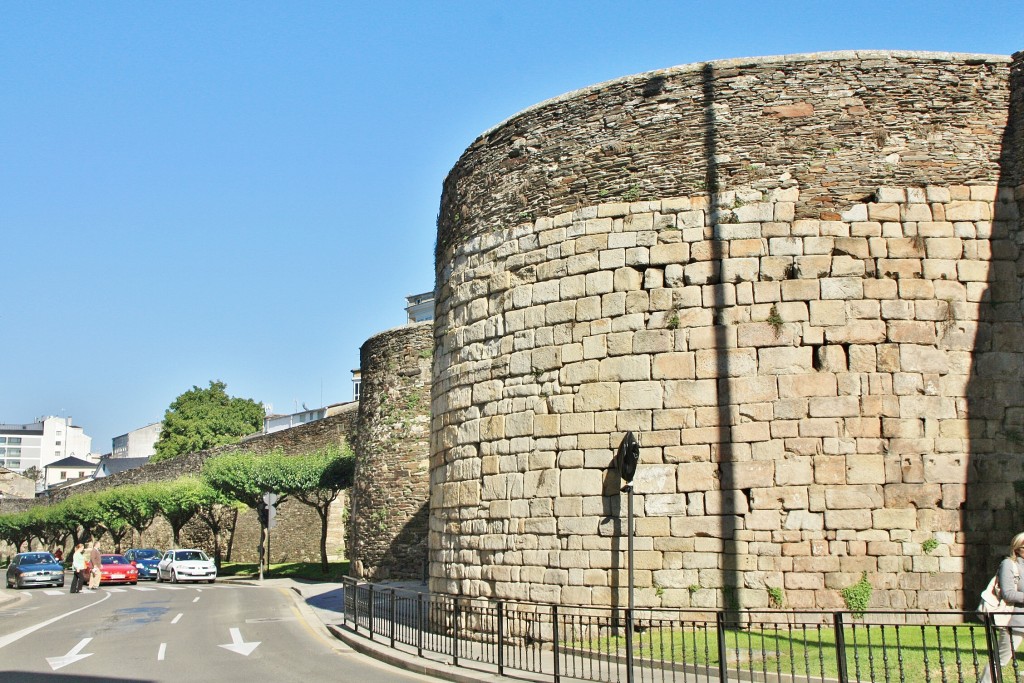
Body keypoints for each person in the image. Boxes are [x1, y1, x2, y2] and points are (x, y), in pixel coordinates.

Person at [980, 532, 1024, 683]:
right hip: (1016, 622)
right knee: (1000, 660)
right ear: (1018, 549)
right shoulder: (1009, 564)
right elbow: (1008, 594)